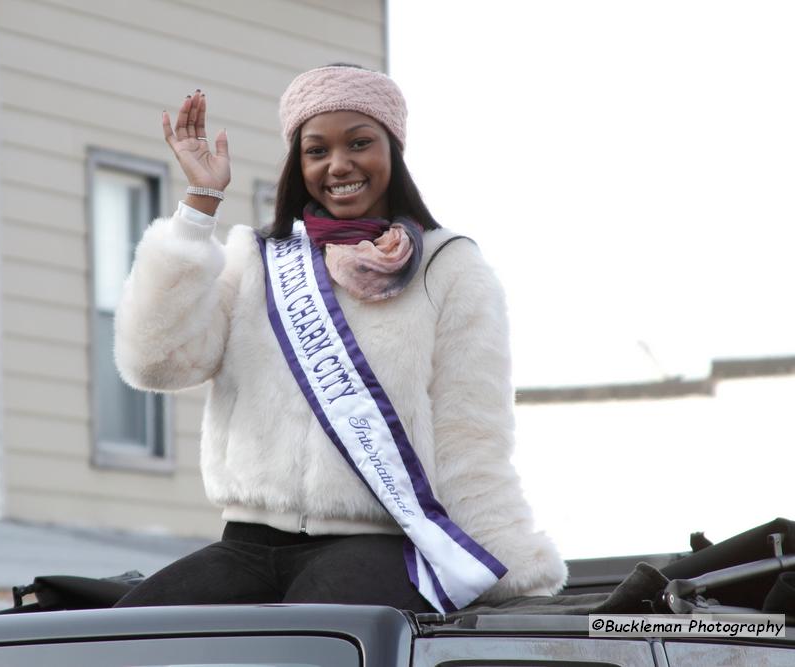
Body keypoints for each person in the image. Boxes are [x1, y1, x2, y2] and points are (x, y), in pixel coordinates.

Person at [113, 65, 567, 611]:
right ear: (297, 163)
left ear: (392, 151)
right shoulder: (258, 258)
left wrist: (508, 569)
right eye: (316, 150)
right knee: (123, 635)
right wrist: (199, 206)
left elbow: (470, 436)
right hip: (247, 541)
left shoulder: (451, 269)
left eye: (359, 143)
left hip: (377, 545)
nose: (338, 165)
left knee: (318, 644)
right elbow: (155, 364)